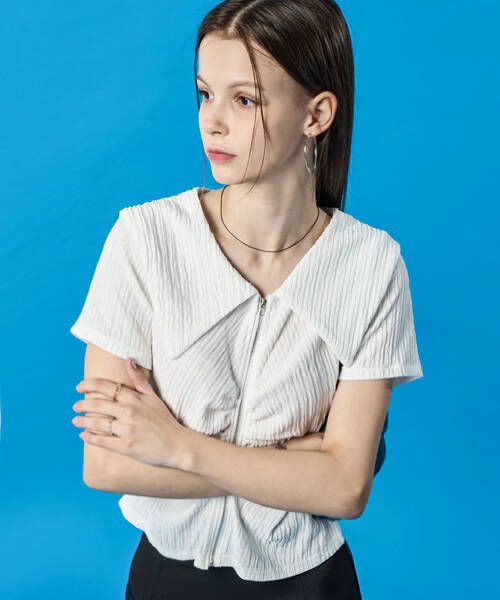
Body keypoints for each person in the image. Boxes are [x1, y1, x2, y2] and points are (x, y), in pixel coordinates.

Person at [69, 1, 423, 598]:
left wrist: (178, 447)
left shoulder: (372, 264)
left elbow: (344, 490)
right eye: (205, 94)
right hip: (165, 579)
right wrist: (290, 465)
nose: (212, 122)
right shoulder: (144, 239)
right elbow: (106, 464)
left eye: (245, 100)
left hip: (312, 582)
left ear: (316, 114)